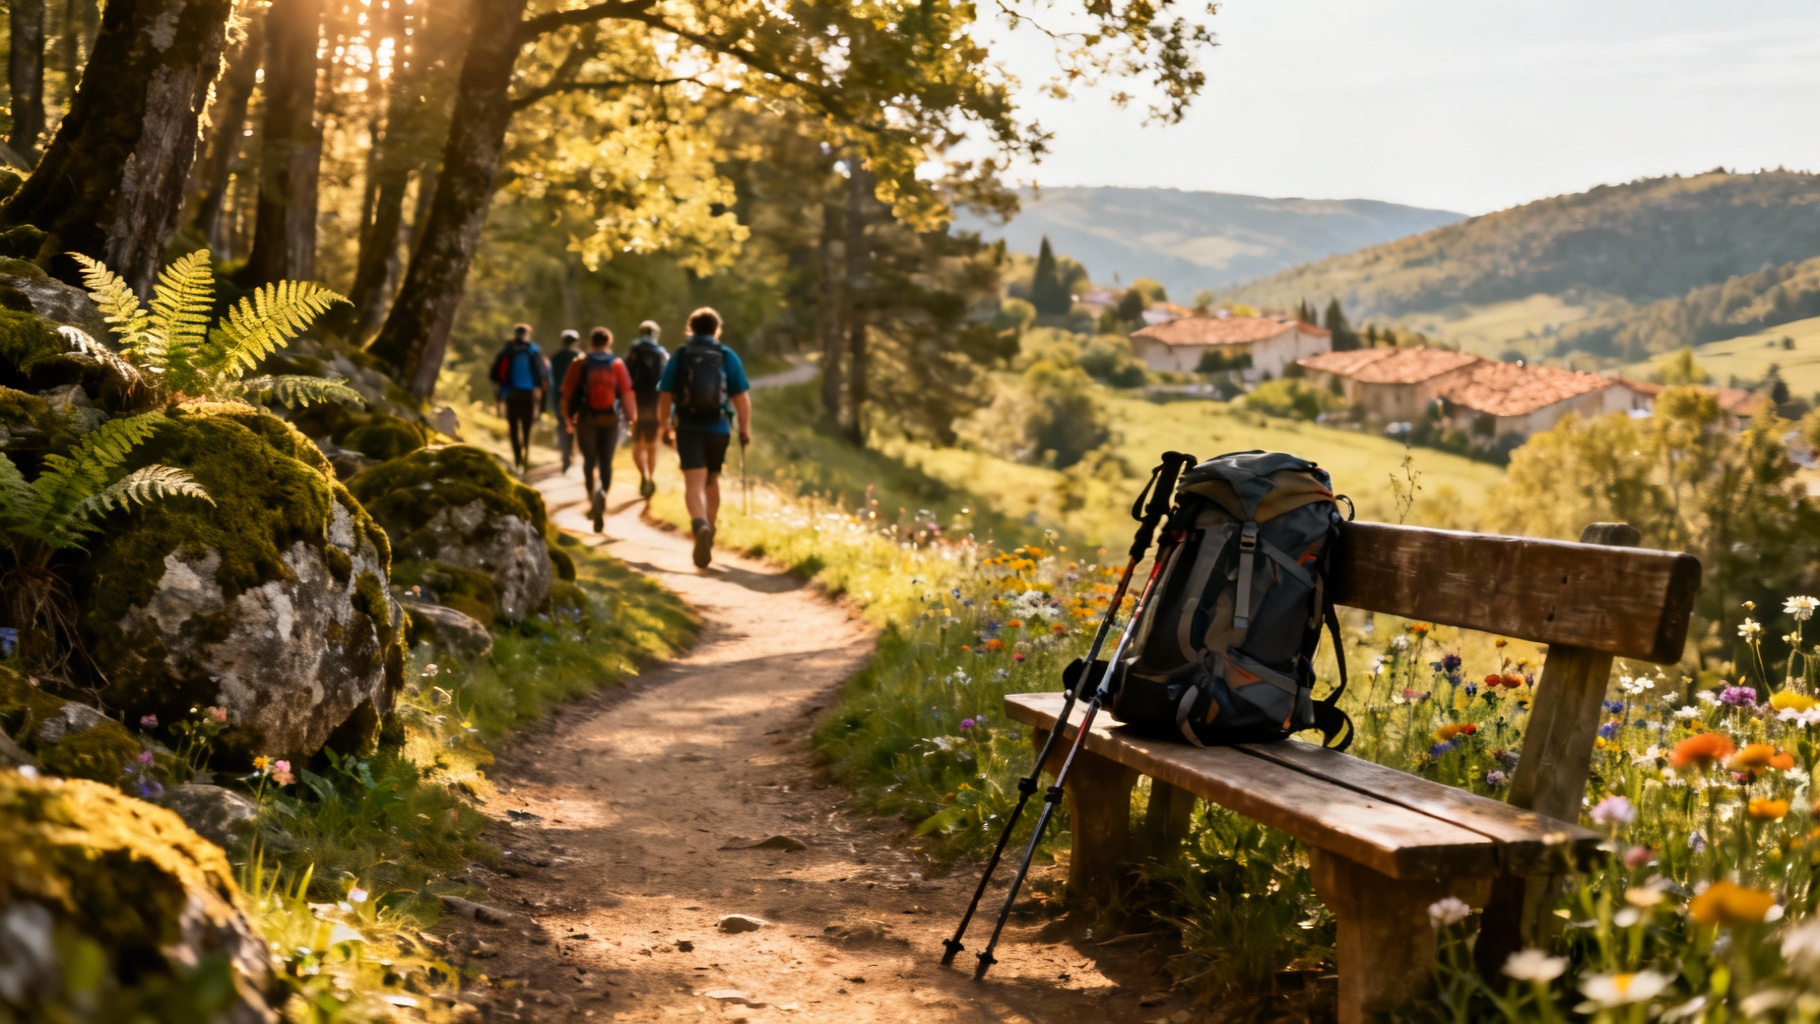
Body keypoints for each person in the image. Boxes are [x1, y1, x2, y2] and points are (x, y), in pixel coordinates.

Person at [656, 307, 750, 569]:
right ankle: (711, 526)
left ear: (690, 328)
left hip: (688, 427)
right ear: (716, 329)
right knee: (712, 479)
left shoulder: (682, 355)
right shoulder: (725, 356)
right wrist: (745, 429)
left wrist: (665, 426)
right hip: (719, 427)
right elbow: (741, 398)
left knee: (693, 482)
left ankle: (700, 525)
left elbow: (665, 395)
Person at [561, 327, 636, 532]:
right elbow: (627, 393)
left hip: (587, 418)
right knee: (606, 462)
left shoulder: (580, 363)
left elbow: (566, 393)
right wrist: (631, 419)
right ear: (608, 342)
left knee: (589, 460)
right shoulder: (616, 364)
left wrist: (568, 419)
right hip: (611, 419)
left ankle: (591, 496)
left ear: (590, 342)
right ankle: (602, 492)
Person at [490, 323, 547, 473]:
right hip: (528, 395)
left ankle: (517, 460)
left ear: (514, 334)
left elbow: (494, 374)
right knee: (527, 428)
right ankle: (525, 455)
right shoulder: (534, 351)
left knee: (514, 428)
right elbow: (542, 374)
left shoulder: (507, 350)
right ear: (528, 334)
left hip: (511, 394)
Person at [624, 320, 669, 499]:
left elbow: (625, 379)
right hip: (656, 406)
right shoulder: (661, 353)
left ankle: (643, 476)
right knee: (652, 447)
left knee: (636, 446)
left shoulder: (633, 351)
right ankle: (650, 478)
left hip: (636, 406)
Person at [547, 329, 582, 473]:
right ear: (576, 341)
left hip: (560, 397)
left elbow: (551, 380)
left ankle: (565, 457)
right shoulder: (580, 357)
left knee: (563, 425)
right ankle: (574, 454)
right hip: (578, 398)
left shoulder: (555, 358)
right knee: (578, 426)